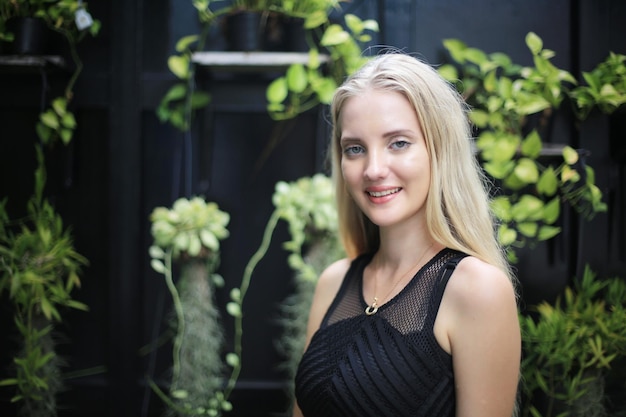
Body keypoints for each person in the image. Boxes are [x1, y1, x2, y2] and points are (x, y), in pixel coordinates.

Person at [292, 53, 521, 417]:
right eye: (355, 148)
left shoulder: (477, 289)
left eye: (398, 143)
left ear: (439, 150)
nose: (373, 169)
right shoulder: (334, 282)